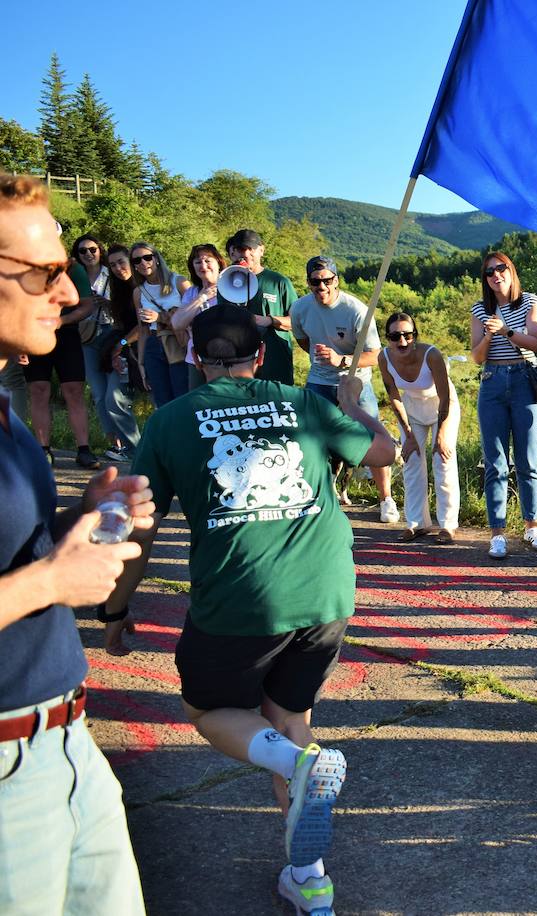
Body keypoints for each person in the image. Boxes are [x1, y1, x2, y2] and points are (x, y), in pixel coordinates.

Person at [106, 304, 397, 913]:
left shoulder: (168, 421)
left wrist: (117, 606)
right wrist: (352, 401)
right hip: (326, 592)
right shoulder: (301, 402)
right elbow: (384, 453)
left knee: (209, 707)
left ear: (193, 357)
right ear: (258, 357)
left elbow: (141, 528)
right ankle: (310, 880)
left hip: (243, 597)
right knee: (288, 715)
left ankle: (297, 766)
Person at [0, 172, 151, 914]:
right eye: (47, 273)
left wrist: (77, 522)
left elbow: (19, 556)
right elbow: (37, 582)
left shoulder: (7, 410)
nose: (70, 294)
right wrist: (52, 582)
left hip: (67, 740)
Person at [290, 255, 399, 523]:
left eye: (327, 280)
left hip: (355, 379)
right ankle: (316, 496)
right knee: (310, 437)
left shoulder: (357, 310)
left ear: (336, 280)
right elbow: (302, 339)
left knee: (371, 433)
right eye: (316, 282)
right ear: (309, 283)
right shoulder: (300, 308)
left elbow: (376, 355)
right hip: (319, 380)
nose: (322, 287)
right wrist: (323, 362)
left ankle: (386, 498)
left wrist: (342, 360)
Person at [470, 250, 537, 558]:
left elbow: (536, 341)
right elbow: (476, 357)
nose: (496, 275)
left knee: (528, 460)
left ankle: (532, 527)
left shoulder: (530, 301)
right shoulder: (480, 309)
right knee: (496, 462)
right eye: (490, 272)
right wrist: (489, 336)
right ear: (485, 279)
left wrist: (506, 331)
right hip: (492, 380)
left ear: (511, 271)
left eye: (501, 268)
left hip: (524, 379)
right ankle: (498, 533)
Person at [377, 312, 459, 541]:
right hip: (411, 407)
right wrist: (409, 435)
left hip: (442, 406)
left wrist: (442, 433)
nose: (402, 342)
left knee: (443, 459)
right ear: (388, 338)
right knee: (411, 460)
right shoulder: (384, 358)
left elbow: (445, 396)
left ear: (415, 336)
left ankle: (448, 525)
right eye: (395, 336)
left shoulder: (431, 355)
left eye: (407, 335)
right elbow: (394, 396)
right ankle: (416, 523)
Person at [23, 249, 102, 468]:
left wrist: (62, 321)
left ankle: (84, 450)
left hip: (66, 334)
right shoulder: (24, 268)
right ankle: (43, 449)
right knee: (38, 390)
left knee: (74, 390)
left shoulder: (72, 268)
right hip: (34, 334)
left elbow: (87, 305)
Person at [225, 228, 297, 385]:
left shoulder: (278, 282)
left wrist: (269, 320)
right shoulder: (226, 282)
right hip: (240, 364)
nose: (246, 253)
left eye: (251, 249)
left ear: (261, 250)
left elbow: (296, 322)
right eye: (240, 249)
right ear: (234, 252)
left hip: (275, 363)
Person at [73, 234, 121, 452]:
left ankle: (128, 442)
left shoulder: (111, 273)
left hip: (111, 333)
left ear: (100, 250)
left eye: (93, 249)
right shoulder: (75, 276)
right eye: (83, 251)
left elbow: (126, 306)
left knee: (115, 394)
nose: (89, 254)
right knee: (99, 394)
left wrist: (107, 303)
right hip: (86, 337)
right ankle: (114, 443)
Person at [130, 241, 191, 406]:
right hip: (153, 344)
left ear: (156, 258)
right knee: (162, 402)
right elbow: (142, 331)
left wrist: (159, 317)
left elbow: (192, 316)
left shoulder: (179, 282)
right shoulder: (138, 292)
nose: (143, 263)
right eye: (137, 261)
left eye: (147, 257)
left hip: (177, 343)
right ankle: (169, 432)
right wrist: (141, 363)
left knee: (182, 397)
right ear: (134, 266)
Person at [97, 245, 143, 461]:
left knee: (163, 402)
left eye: (121, 262)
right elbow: (124, 322)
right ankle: (135, 449)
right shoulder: (118, 288)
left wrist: (120, 345)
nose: (117, 268)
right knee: (114, 399)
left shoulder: (143, 286)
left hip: (146, 350)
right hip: (126, 351)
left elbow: (142, 325)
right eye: (113, 264)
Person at [171, 243, 225, 390]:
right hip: (197, 360)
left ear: (219, 263)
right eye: (197, 262)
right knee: (199, 404)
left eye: (208, 260)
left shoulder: (230, 288)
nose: (203, 265)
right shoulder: (192, 293)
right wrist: (202, 297)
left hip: (227, 360)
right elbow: (177, 324)